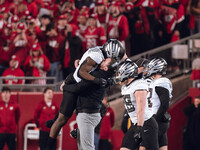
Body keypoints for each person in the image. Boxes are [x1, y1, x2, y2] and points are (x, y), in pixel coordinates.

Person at [46, 39, 126, 150]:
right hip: (91, 108)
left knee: (64, 118)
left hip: (86, 107)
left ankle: (57, 129)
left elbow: (79, 86)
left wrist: (66, 85)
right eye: (110, 58)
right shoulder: (98, 61)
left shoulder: (99, 64)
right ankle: (57, 129)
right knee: (62, 118)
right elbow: (81, 72)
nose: (107, 60)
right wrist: (89, 73)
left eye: (108, 60)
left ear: (105, 67)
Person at [64, 58, 115, 150]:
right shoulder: (103, 76)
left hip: (87, 115)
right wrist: (79, 66)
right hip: (90, 114)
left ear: (106, 68)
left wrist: (65, 87)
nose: (102, 60)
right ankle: (79, 130)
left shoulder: (97, 75)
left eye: (105, 62)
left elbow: (78, 87)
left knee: (87, 148)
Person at [114, 61, 159, 150]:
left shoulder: (139, 85)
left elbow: (141, 110)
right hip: (136, 123)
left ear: (127, 72)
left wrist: (139, 128)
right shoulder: (126, 86)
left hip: (146, 123)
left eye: (120, 73)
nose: (118, 76)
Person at [142, 58, 173, 150]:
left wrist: (154, 120)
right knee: (162, 147)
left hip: (156, 118)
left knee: (143, 146)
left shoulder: (162, 82)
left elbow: (164, 104)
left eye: (149, 67)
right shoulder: (153, 82)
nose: (147, 69)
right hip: (157, 118)